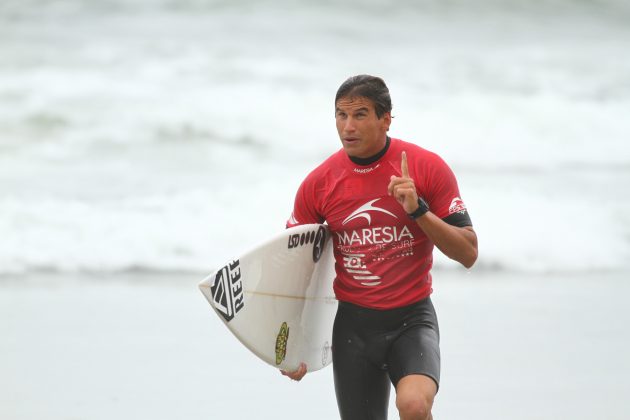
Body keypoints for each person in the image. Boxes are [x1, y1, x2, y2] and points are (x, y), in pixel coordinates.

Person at [282, 74, 478, 420]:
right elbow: (296, 268)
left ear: (385, 119)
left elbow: (468, 252)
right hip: (353, 329)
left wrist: (419, 210)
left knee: (415, 405)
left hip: (411, 321)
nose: (348, 126)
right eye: (341, 115)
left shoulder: (426, 167)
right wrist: (290, 346)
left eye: (359, 114)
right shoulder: (320, 183)